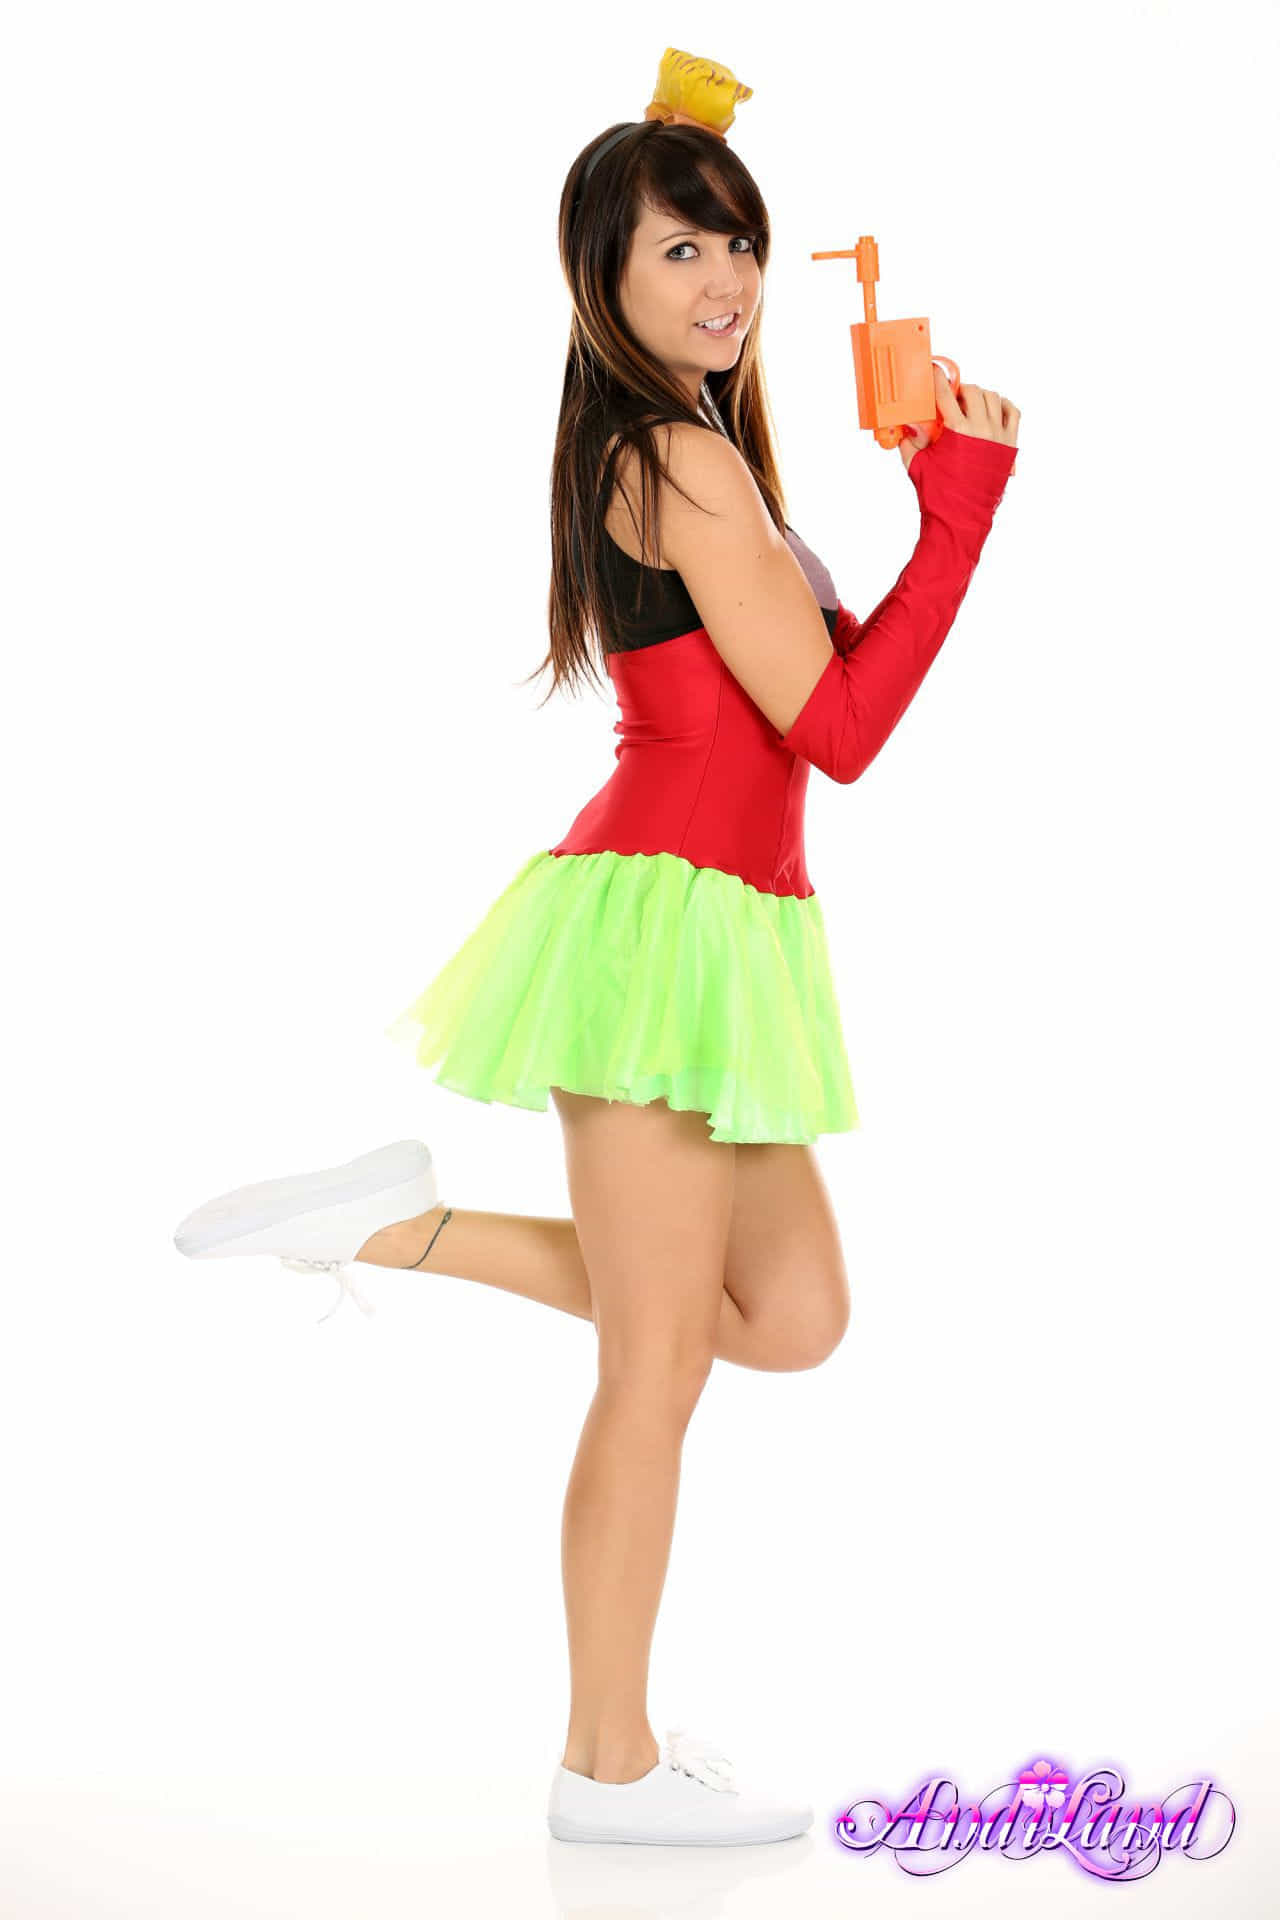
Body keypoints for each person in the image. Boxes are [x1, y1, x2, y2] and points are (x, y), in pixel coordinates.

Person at [172, 70, 1019, 1846]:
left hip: (723, 925)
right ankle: (604, 1767)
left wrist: (912, 499)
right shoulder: (677, 454)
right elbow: (842, 731)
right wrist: (961, 511)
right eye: (682, 248)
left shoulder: (701, 447)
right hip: (660, 931)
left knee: (789, 1315)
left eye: (741, 244)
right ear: (605, 278)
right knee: (660, 1368)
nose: (728, 279)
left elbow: (803, 700)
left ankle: (388, 1227)